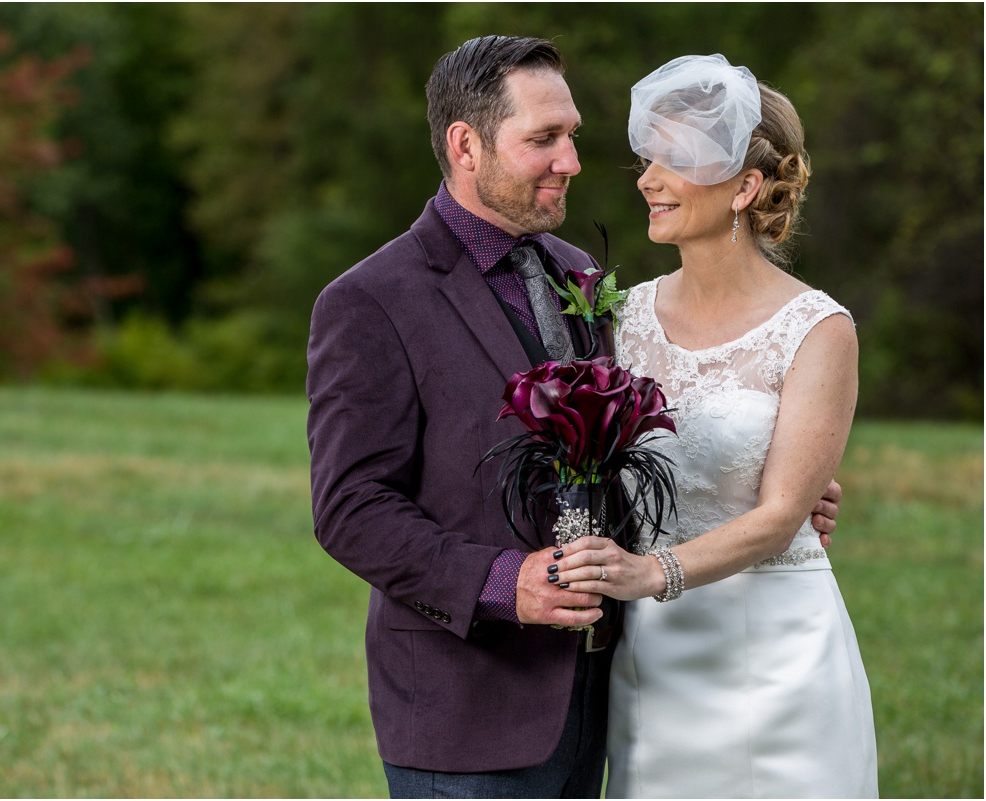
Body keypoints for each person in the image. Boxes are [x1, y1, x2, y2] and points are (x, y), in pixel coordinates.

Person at [306, 38, 842, 799]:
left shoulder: (583, 277)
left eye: (572, 135)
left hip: (611, 697)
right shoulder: (371, 300)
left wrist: (767, 481)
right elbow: (350, 510)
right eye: (543, 140)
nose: (572, 161)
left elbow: (631, 439)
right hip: (465, 712)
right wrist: (504, 581)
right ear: (466, 144)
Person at [555, 55, 878, 797]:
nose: (648, 178)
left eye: (677, 159)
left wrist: (649, 573)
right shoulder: (622, 316)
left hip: (779, 653)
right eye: (648, 158)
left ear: (745, 185)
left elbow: (777, 515)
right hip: (658, 658)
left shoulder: (817, 327)